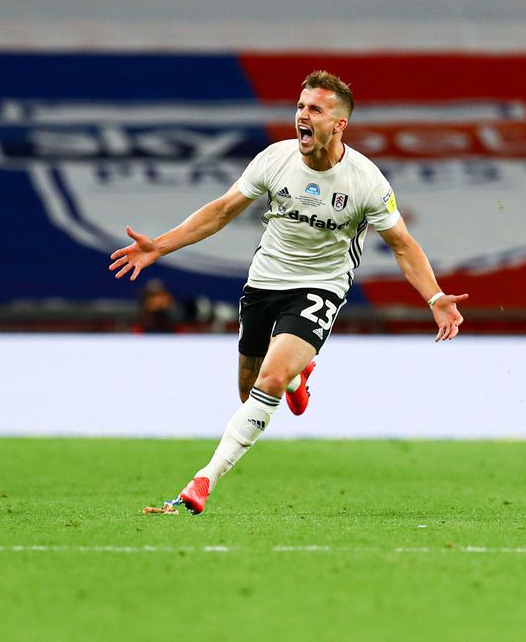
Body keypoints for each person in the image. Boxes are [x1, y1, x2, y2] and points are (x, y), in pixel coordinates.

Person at [110, 70, 468, 514]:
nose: (302, 115)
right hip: (264, 282)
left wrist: (435, 298)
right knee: (250, 391)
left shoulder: (367, 181)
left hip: (321, 286)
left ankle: (203, 479)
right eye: (300, 107)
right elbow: (222, 211)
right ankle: (301, 377)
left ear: (339, 125)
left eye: (315, 109)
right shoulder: (274, 160)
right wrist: (159, 246)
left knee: (270, 380)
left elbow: (402, 244)